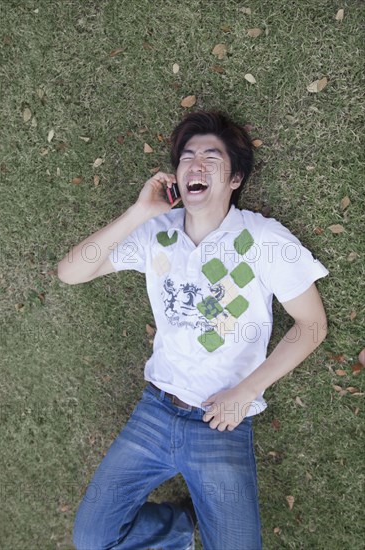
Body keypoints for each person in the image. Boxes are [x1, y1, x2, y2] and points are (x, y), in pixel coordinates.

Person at [58, 110, 328, 550]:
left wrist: (245, 393)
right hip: (156, 410)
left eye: (211, 157)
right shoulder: (156, 233)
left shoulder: (263, 240)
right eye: (186, 157)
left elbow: (312, 324)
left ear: (235, 179)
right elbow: (70, 272)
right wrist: (138, 212)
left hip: (221, 422)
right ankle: (179, 526)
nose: (195, 165)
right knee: (92, 539)